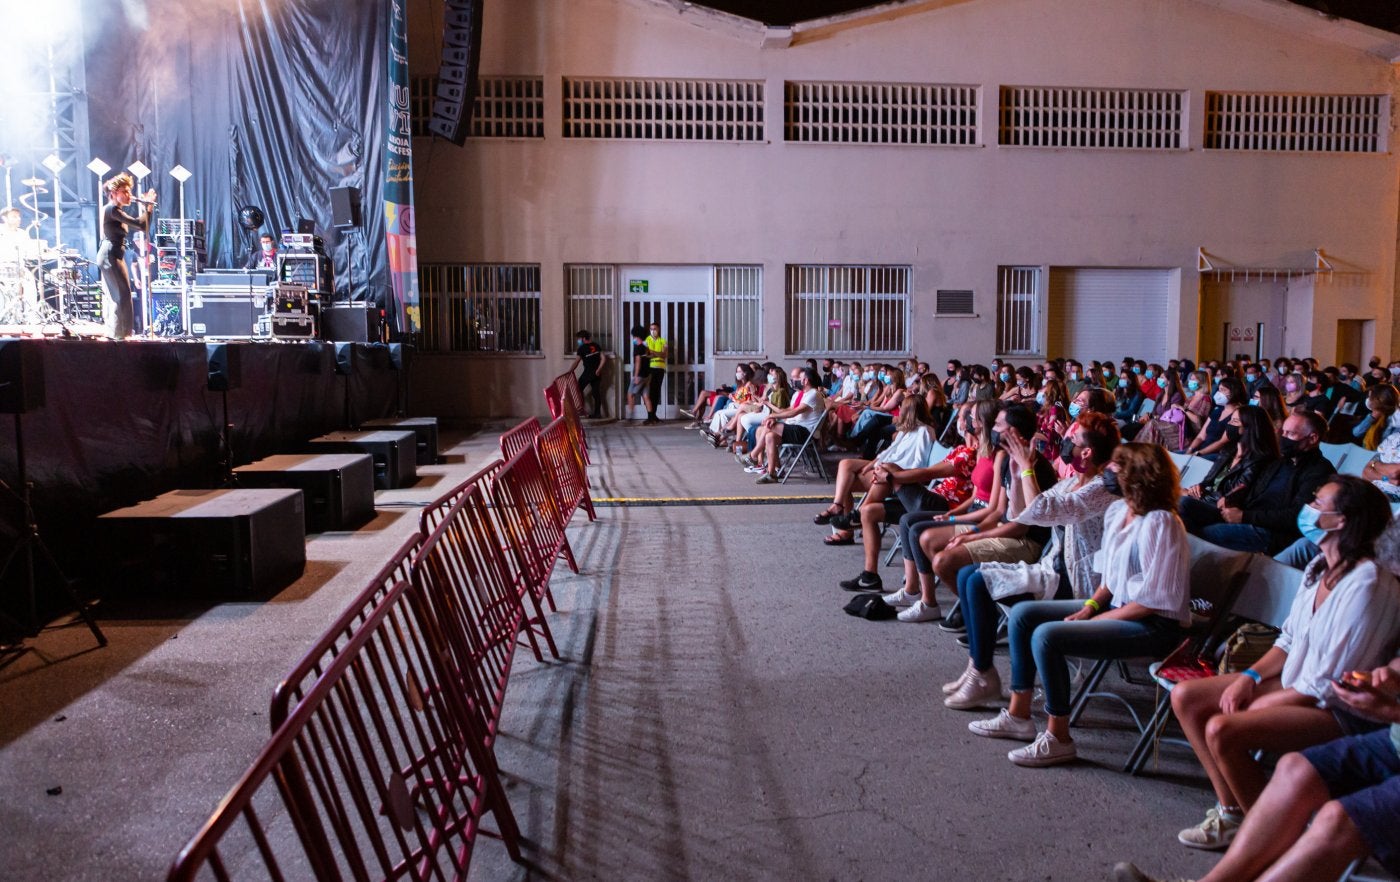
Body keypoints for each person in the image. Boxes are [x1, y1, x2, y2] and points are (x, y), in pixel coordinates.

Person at [1166, 475, 1400, 854]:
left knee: (1224, 729)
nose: (1307, 507)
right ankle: (1232, 811)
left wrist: (1263, 702)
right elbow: (1288, 640)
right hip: (1299, 686)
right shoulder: (1321, 568)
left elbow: (1329, 684)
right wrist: (1250, 676)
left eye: (1317, 501)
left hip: (1338, 707)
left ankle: (1272, 840)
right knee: (1187, 696)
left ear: (1341, 520)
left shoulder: (1368, 582)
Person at [967, 443, 1190, 767]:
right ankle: (1019, 715)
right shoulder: (1119, 511)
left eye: (1117, 466)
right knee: (1023, 615)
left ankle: (1059, 737)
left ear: (1140, 475)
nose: (1108, 472)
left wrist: (1099, 618)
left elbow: (1154, 601)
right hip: (1120, 609)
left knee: (1047, 636)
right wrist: (1090, 606)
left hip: (1152, 625)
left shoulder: (1161, 522)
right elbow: (1110, 580)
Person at [1114, 656, 1400, 882]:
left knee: (1340, 818)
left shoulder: (1368, 584)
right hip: (1393, 741)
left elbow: (1322, 680)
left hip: (1346, 714)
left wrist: (1391, 711)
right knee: (1294, 767)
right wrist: (1389, 675)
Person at [942, 412, 1121, 710]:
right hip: (1054, 568)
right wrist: (1016, 469)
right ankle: (978, 668)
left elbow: (1046, 510)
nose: (1065, 443)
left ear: (1086, 452)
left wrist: (1028, 469)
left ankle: (983, 674)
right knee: (968, 576)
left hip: (1081, 583)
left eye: (1072, 440)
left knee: (978, 582)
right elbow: (1025, 513)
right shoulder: (1073, 482)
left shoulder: (1100, 489)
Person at [1180, 410, 1335, 554]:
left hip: (1270, 531)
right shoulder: (1281, 460)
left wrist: (1244, 516)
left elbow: (1295, 516)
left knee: (1207, 533)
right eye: (1283, 432)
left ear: (1313, 438)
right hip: (1244, 513)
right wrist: (1232, 498)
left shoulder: (1320, 472)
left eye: (1291, 434)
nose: (1284, 438)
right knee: (1183, 504)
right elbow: (1253, 488)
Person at [815, 395, 936, 540]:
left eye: (902, 408)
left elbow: (919, 462)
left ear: (910, 411)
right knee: (845, 465)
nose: (899, 412)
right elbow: (888, 452)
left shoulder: (924, 431)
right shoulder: (906, 431)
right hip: (885, 465)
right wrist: (872, 464)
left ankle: (853, 523)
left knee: (846, 482)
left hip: (896, 473)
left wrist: (893, 472)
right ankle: (838, 506)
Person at [96, 172, 156, 340]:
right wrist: (149, 207)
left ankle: (116, 334)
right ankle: (121, 336)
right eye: (125, 191)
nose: (129, 195)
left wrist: (147, 209)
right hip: (110, 254)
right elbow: (140, 225)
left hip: (112, 254)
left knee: (118, 295)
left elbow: (141, 224)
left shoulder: (114, 210)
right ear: (114, 193)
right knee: (122, 295)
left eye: (129, 191)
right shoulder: (112, 209)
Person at [752, 367, 825, 485]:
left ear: (805, 381)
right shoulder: (804, 394)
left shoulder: (813, 394)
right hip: (797, 428)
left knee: (770, 426)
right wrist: (774, 416)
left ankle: (753, 455)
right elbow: (790, 409)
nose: (796, 381)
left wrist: (773, 417)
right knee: (770, 436)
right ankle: (772, 473)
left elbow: (795, 412)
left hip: (806, 433)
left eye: (799, 378)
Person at [568, 329, 607, 419]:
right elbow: (604, 359)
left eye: (579, 339)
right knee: (596, 393)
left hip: (588, 373)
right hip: (597, 374)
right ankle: (597, 414)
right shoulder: (596, 346)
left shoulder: (582, 348)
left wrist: (570, 371)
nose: (578, 341)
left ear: (583, 339)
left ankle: (581, 410)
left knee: (578, 389)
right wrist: (599, 369)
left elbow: (576, 362)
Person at [642, 321, 668, 424]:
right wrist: (657, 353)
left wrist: (652, 352)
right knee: (649, 392)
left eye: (655, 329)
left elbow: (664, 355)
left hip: (660, 369)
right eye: (651, 329)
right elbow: (646, 355)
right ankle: (650, 416)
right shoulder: (646, 341)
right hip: (650, 369)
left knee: (656, 392)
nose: (653, 331)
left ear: (659, 330)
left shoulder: (663, 341)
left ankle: (654, 415)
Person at [625, 324, 650, 422]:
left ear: (637, 336)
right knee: (646, 396)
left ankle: (630, 417)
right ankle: (651, 417)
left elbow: (638, 361)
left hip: (640, 375)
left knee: (630, 394)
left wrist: (635, 376)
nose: (633, 338)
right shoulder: (645, 346)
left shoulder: (637, 347)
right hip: (647, 375)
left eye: (634, 336)